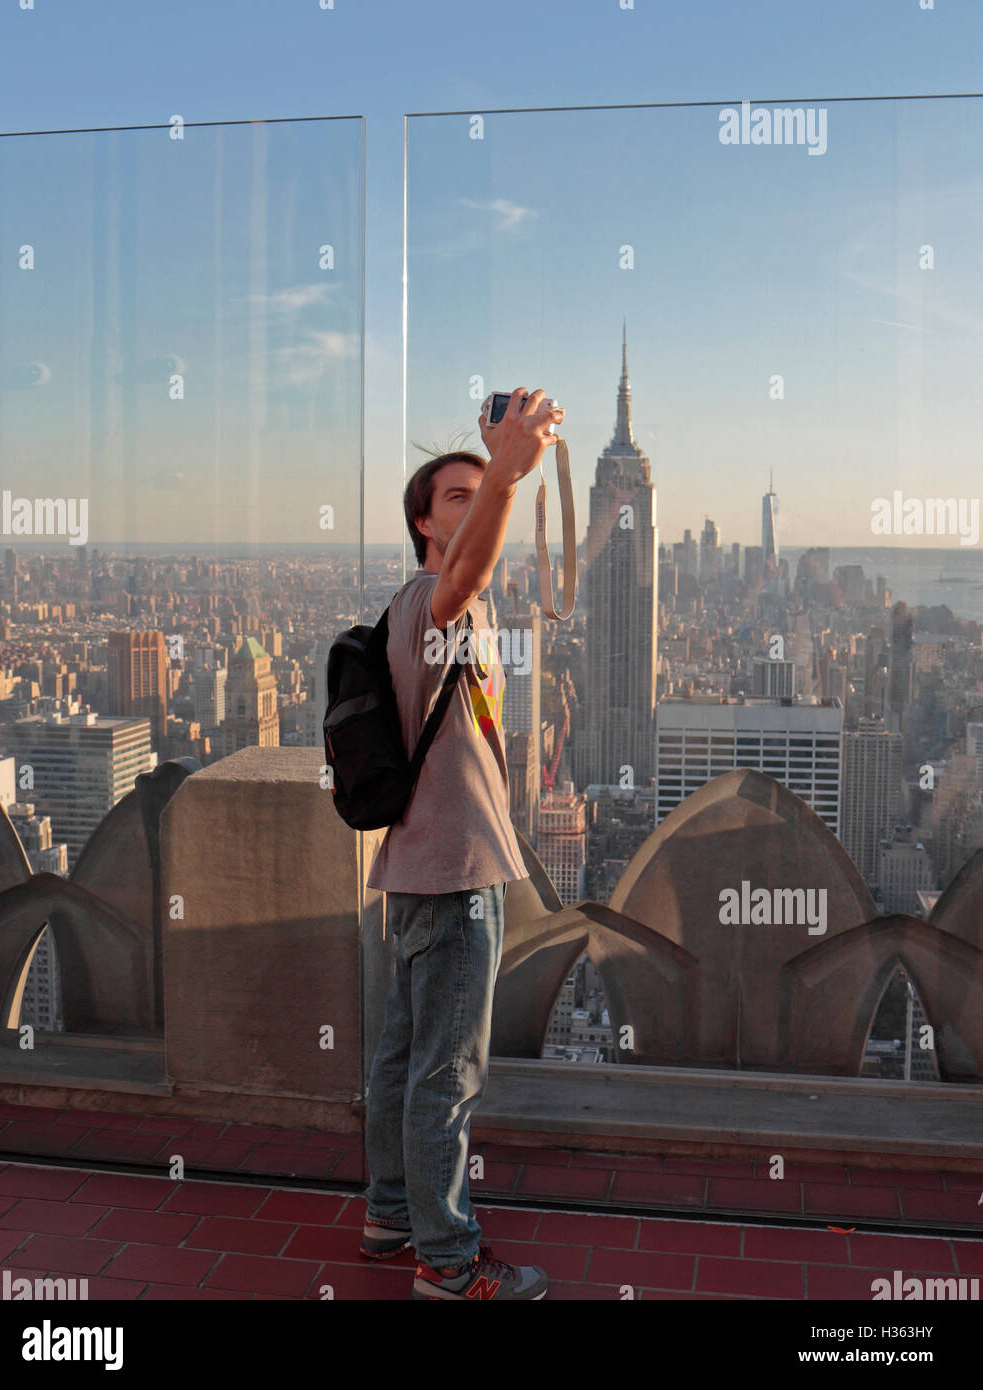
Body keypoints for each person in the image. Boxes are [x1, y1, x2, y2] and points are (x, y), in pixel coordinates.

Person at [360, 387, 564, 1300]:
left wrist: (505, 480)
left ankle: (391, 1212)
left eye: (481, 492)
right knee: (447, 1074)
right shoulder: (432, 602)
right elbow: (468, 576)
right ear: (421, 522)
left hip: (420, 872)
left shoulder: (438, 611)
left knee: (404, 1060)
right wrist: (511, 475)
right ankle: (446, 1264)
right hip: (450, 877)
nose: (478, 501)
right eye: (458, 495)